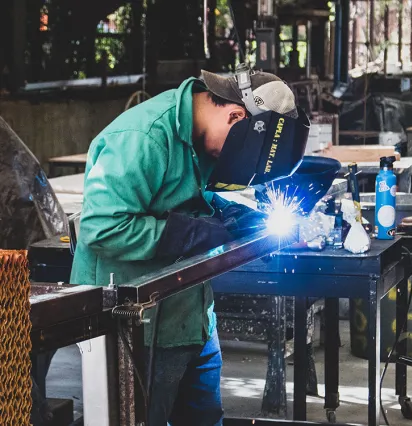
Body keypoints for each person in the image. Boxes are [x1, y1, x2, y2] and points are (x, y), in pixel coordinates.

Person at [69, 66, 309, 425]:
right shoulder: (144, 137)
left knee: (204, 417)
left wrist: (232, 214)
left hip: (191, 315)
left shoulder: (201, 137)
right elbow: (102, 227)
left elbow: (195, 196)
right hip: (135, 325)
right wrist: (193, 233)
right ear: (235, 115)